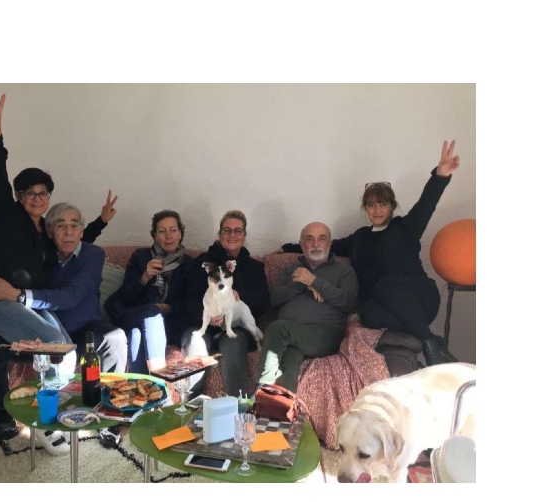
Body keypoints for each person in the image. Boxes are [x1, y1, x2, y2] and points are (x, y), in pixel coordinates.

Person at [0, 90, 121, 457]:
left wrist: (99, 222)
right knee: (56, 345)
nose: (37, 197)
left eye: (43, 192)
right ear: (19, 196)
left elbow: (74, 237)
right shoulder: (8, 217)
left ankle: (49, 410)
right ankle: (44, 423)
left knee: (62, 346)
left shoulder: (46, 234)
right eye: (29, 192)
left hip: (21, 305)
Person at [0, 201, 128, 456]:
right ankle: (2, 418)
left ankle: (108, 414)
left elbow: (72, 296)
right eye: (60, 226)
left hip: (83, 331)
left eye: (74, 226)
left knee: (114, 337)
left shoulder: (92, 255)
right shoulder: (40, 255)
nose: (68, 232)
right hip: (40, 332)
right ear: (50, 232)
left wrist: (19, 295)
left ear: (81, 231)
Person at [282, 141, 461, 366]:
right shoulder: (360, 238)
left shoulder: (405, 228)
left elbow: (426, 204)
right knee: (367, 313)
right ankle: (432, 341)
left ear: (392, 206)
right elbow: (324, 244)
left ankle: (428, 344)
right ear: (365, 208)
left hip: (418, 297)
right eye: (372, 205)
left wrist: (440, 176)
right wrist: (286, 248)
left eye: (383, 204)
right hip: (387, 308)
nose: (377, 210)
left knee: (386, 283)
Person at [256, 222, 358, 392]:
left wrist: (314, 281)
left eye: (322, 238)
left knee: (278, 328)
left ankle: (260, 388)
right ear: (302, 244)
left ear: (329, 244)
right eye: (309, 239)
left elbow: (349, 303)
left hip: (324, 335)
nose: (316, 244)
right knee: (291, 357)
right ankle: (279, 403)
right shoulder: (292, 270)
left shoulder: (344, 270)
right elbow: (273, 299)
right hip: (293, 336)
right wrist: (302, 284)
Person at [182, 210, 270, 397]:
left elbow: (263, 302)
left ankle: (237, 404)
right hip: (204, 324)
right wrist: (206, 317)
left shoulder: (254, 267)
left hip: (236, 327)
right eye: (227, 230)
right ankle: (188, 401)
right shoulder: (203, 262)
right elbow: (188, 297)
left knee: (233, 344)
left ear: (244, 236)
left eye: (238, 231)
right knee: (195, 341)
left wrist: (239, 295)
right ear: (219, 234)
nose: (232, 235)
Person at [104, 210, 194, 373]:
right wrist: (144, 277)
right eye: (162, 231)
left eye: (173, 230)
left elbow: (191, 304)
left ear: (180, 233)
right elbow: (125, 297)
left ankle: (141, 385)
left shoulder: (190, 265)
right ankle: (159, 374)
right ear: (154, 236)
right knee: (151, 311)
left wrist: (167, 308)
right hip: (134, 315)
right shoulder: (141, 257)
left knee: (136, 335)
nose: (168, 236)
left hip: (168, 325)